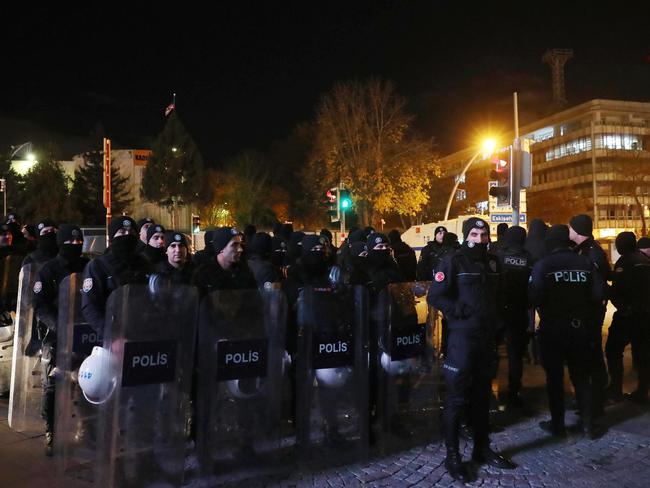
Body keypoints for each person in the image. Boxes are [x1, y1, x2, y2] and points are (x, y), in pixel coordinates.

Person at [427, 217, 515, 482]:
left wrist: (500, 324)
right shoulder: (454, 261)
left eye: (483, 234)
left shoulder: (493, 262)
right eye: (475, 234)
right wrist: (458, 312)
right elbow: (436, 296)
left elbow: (499, 296)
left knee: (481, 398)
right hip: (462, 340)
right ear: (466, 235)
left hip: (486, 340)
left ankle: (481, 448)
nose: (479, 238)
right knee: (456, 400)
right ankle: (452, 456)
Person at [529, 225, 606, 439]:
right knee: (581, 377)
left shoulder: (543, 265)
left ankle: (558, 425)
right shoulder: (585, 262)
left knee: (554, 379)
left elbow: (534, 296)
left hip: (553, 328)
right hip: (579, 328)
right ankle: (588, 425)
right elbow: (599, 293)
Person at [32, 224, 89, 455]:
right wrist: (57, 325)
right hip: (56, 335)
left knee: (88, 382)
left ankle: (89, 427)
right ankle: (51, 431)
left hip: (85, 334)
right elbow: (40, 305)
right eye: (70, 242)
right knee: (52, 387)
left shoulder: (88, 266)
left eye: (78, 242)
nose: (74, 246)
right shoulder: (48, 270)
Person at [569, 214, 610, 416]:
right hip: (590, 309)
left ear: (577, 231)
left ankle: (595, 400)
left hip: (590, 311)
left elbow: (599, 283)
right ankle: (591, 398)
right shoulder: (589, 250)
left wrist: (593, 305)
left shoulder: (590, 252)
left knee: (591, 353)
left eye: (570, 228)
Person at [82, 217, 152, 333]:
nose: (127, 235)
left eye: (131, 232)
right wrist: (109, 335)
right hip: (113, 335)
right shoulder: (98, 266)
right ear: (112, 237)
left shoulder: (145, 264)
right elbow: (90, 306)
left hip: (143, 332)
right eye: (122, 232)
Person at [605, 232, 650, 403]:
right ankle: (642, 390)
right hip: (645, 316)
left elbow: (618, 289)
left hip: (628, 316)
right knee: (643, 354)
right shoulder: (645, 261)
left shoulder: (624, 262)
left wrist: (608, 292)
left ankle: (615, 388)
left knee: (613, 350)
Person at [494, 225, 532, 407]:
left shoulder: (499, 256)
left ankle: (488, 388)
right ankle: (514, 389)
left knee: (492, 351)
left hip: (499, 311)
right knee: (515, 354)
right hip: (519, 311)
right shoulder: (528, 258)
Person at [191, 226, 256, 295]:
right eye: (234, 245)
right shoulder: (203, 274)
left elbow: (253, 299)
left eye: (240, 244)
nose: (240, 249)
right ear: (221, 248)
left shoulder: (245, 271)